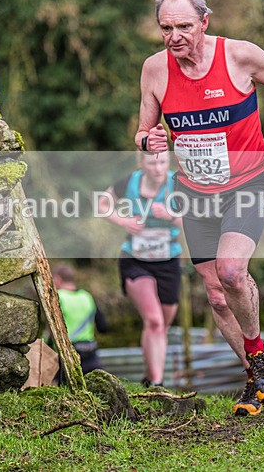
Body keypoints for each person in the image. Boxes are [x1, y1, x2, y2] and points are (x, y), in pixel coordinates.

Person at [134, 0, 264, 415]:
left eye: (184, 26)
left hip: (246, 184)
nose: (175, 37)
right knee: (214, 295)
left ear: (205, 22)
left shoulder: (239, 56)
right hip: (194, 193)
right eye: (166, 28)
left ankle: (258, 353)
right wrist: (147, 141)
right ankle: (256, 377)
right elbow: (143, 131)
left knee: (232, 272)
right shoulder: (155, 70)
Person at [96, 152, 183, 388]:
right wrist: (124, 221)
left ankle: (149, 374)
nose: (158, 168)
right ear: (142, 163)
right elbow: (102, 204)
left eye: (163, 162)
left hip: (169, 260)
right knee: (154, 321)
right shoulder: (129, 183)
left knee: (160, 326)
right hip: (135, 259)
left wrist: (172, 215)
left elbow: (198, 218)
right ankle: (157, 382)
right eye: (152, 162)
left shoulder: (177, 183)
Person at [51, 262, 110, 376]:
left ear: (58, 279)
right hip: (90, 353)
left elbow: (51, 330)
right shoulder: (86, 297)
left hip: (68, 353)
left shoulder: (58, 297)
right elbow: (103, 327)